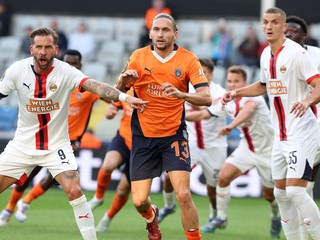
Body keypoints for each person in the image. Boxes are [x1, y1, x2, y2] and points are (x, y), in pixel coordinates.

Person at [0, 27, 147, 240]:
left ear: (56, 49)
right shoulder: (17, 70)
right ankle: (10, 210)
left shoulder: (66, 71)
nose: (43, 51)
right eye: (39, 47)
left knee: (74, 189)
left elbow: (96, 86)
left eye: (48, 47)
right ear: (31, 48)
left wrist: (124, 98)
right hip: (22, 145)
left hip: (57, 145)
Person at [222, 7, 320, 240]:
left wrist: (307, 100)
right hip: (280, 135)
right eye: (265, 22)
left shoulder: (297, 54)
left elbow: (318, 85)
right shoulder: (266, 53)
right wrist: (237, 93)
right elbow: (263, 86)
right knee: (280, 193)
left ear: (283, 26)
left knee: (296, 191)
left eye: (274, 22)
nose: (268, 26)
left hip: (302, 131)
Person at [115, 13, 212, 240]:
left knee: (184, 194)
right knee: (139, 201)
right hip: (143, 135)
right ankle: (152, 217)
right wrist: (123, 82)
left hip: (174, 135)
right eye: (156, 29)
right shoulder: (138, 57)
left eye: (165, 30)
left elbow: (206, 98)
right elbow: (119, 91)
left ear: (175, 34)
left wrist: (181, 94)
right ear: (150, 33)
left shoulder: (188, 60)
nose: (160, 34)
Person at [0, 49, 104, 225]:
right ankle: (9, 209)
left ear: (80, 66)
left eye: (75, 63)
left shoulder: (85, 90)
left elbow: (109, 96)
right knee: (26, 178)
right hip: (40, 139)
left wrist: (115, 106)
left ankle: (25, 202)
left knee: (54, 179)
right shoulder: (55, 84)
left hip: (66, 143)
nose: (71, 66)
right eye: (68, 62)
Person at [201, 65, 281, 239]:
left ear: (244, 82)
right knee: (223, 178)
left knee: (269, 195)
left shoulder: (253, 98)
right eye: (229, 81)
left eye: (236, 81)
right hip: (247, 147)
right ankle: (221, 218)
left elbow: (248, 110)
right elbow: (206, 112)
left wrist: (230, 126)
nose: (232, 85)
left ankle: (276, 216)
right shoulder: (227, 100)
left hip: (267, 152)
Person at [157, 58, 228, 226]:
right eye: (198, 72)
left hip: (214, 146)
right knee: (168, 177)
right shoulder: (184, 90)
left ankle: (215, 215)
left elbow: (203, 115)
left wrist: (182, 113)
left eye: (204, 73)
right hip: (190, 144)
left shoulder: (219, 93)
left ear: (211, 74)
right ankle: (168, 206)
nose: (201, 76)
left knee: (212, 188)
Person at [285, 15, 320, 240]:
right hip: (299, 127)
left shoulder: (316, 55)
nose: (289, 34)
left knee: (295, 189)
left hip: (313, 123)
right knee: (300, 187)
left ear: (304, 35)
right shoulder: (277, 57)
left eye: (294, 31)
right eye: (286, 31)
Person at [89, 88, 134, 232]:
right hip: (123, 137)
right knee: (108, 165)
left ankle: (107, 218)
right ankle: (98, 197)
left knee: (122, 190)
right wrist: (110, 112)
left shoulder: (153, 92)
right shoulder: (129, 88)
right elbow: (114, 106)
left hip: (142, 147)